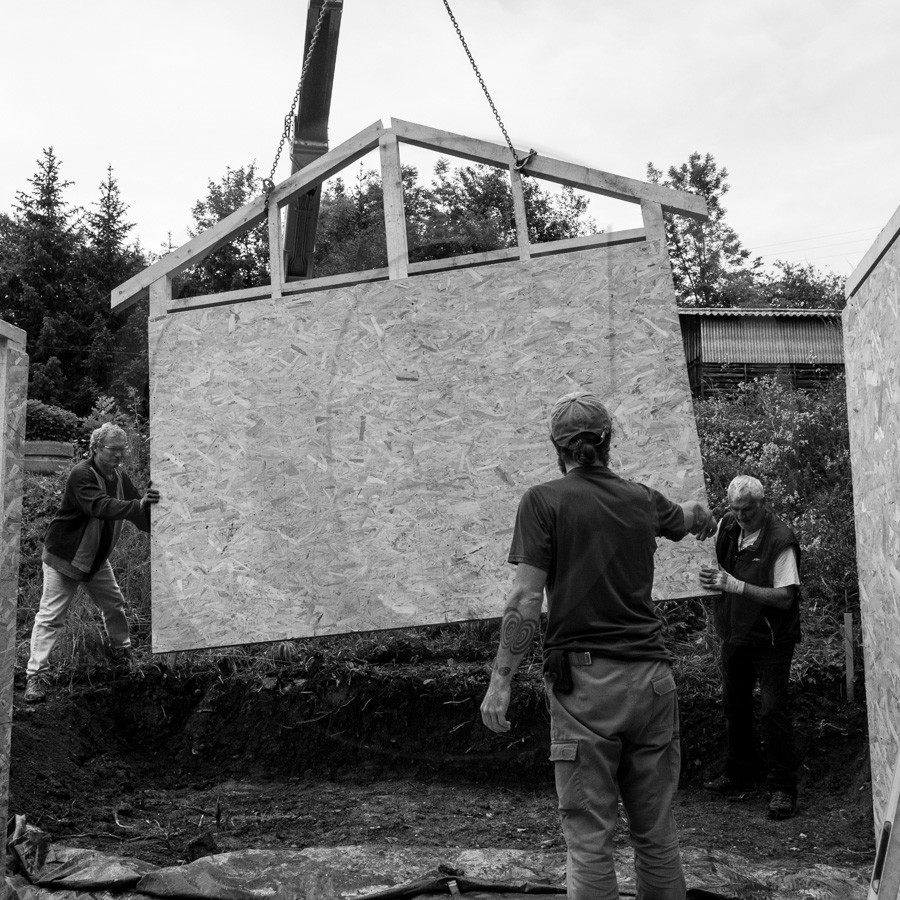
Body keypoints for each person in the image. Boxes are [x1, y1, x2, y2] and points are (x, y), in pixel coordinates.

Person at [480, 390, 716, 900]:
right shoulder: (642, 499)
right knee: (656, 835)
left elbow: (526, 599)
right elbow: (686, 516)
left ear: (557, 447)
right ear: (609, 442)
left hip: (586, 690)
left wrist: (500, 682)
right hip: (653, 683)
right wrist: (703, 517)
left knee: (589, 840)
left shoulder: (543, 502)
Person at [24, 423, 160, 703]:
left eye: (123, 449)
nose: (119, 455)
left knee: (114, 604)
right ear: (96, 447)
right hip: (65, 557)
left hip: (95, 558)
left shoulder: (119, 476)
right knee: (51, 616)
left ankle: (121, 652)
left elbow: (138, 510)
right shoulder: (82, 474)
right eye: (113, 449)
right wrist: (137, 505)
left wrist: (160, 521)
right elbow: (99, 505)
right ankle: (35, 675)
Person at [699, 474, 801, 821]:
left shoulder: (781, 540)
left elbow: (785, 598)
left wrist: (735, 586)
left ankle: (783, 788)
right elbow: (706, 554)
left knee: (773, 710)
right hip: (735, 633)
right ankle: (739, 771)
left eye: (747, 509)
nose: (741, 516)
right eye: (735, 508)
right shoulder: (728, 526)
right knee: (735, 704)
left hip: (772, 639)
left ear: (763, 504)